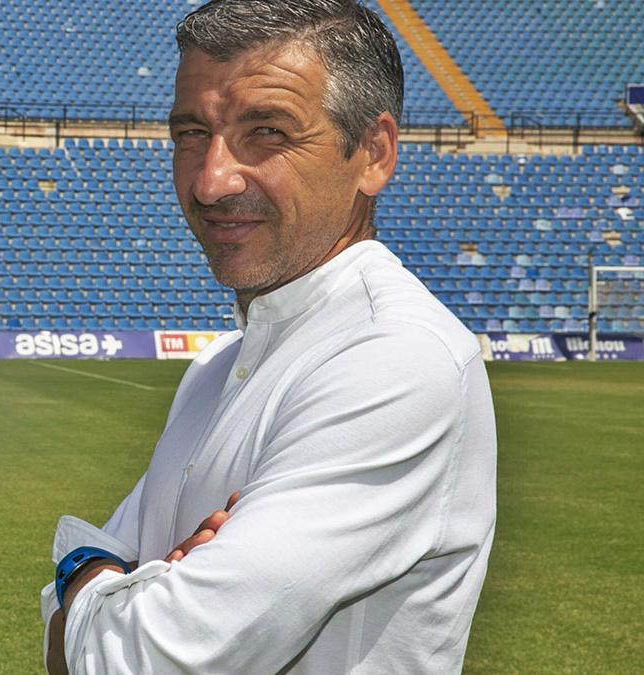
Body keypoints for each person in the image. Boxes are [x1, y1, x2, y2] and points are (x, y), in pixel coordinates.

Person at [42, 1, 496, 672]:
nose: (211, 179)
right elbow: (72, 646)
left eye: (268, 131)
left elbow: (130, 656)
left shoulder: (397, 357)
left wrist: (85, 572)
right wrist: (113, 593)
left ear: (373, 154)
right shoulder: (217, 366)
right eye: (192, 131)